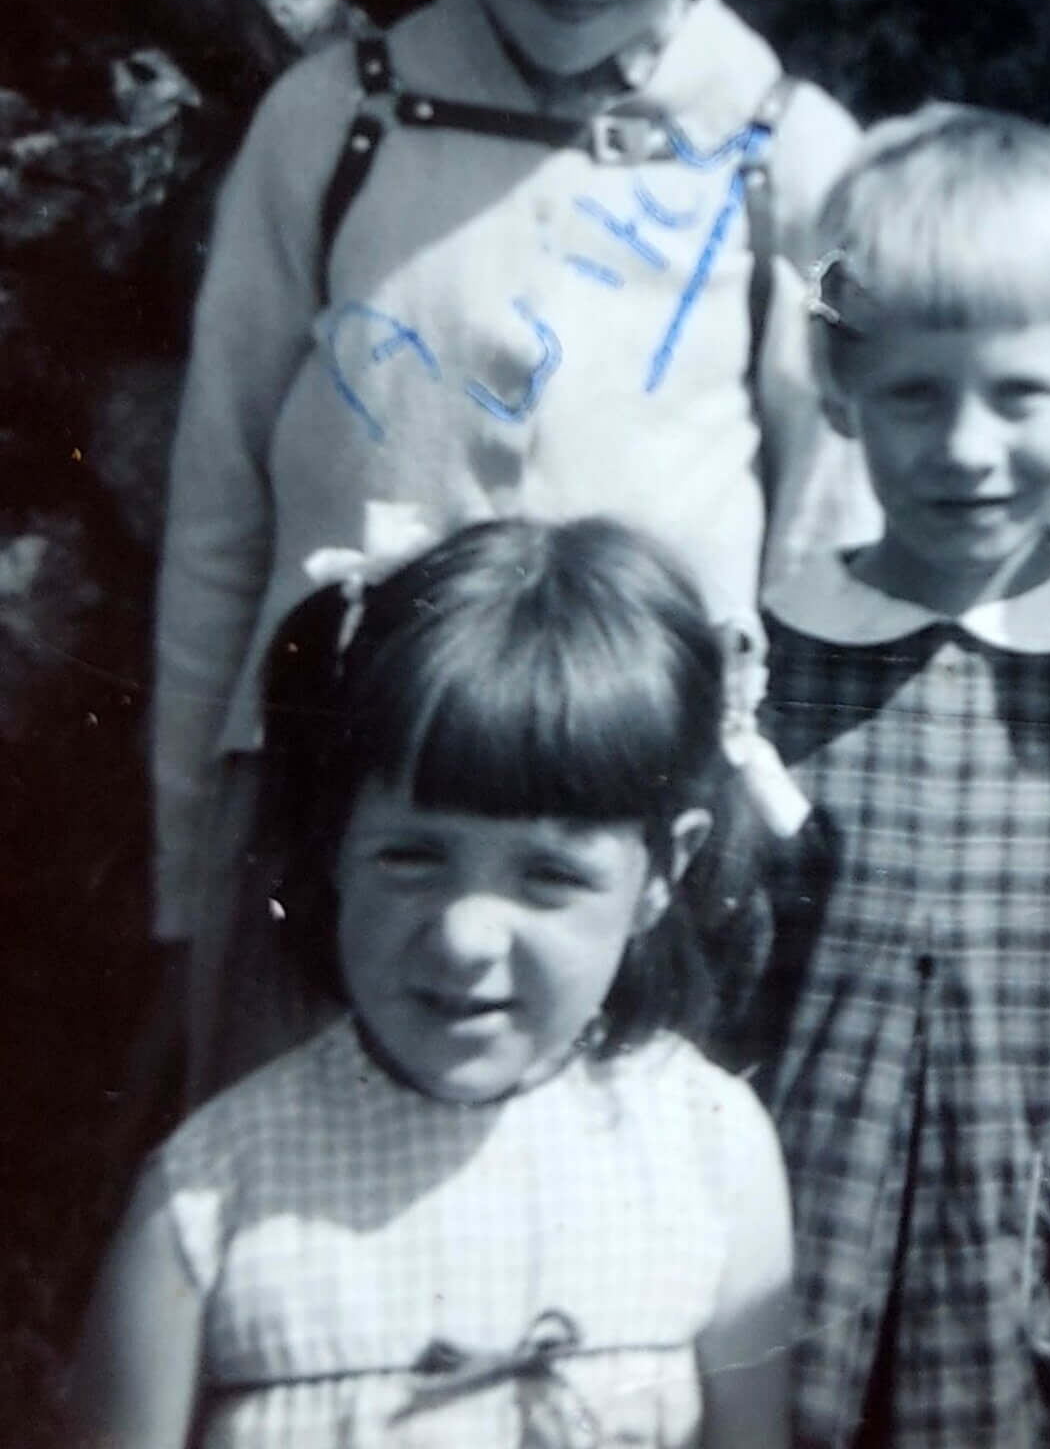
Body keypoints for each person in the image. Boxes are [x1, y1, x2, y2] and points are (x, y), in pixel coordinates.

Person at [150, 0, 870, 1099]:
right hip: (339, 825)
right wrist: (184, 879)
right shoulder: (330, 125)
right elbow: (222, 510)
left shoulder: (775, 155)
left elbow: (827, 535)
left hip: (627, 850)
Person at [71, 516, 796, 1449]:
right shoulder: (213, 1194)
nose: (465, 938)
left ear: (663, 870)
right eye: (412, 857)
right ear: (335, 843)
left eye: (550, 877)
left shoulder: (711, 1152)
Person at [737, 108, 1050, 1449]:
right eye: (912, 393)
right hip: (773, 1293)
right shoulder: (764, 665)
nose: (965, 448)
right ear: (839, 389)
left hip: (1034, 1317)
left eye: (1017, 394)